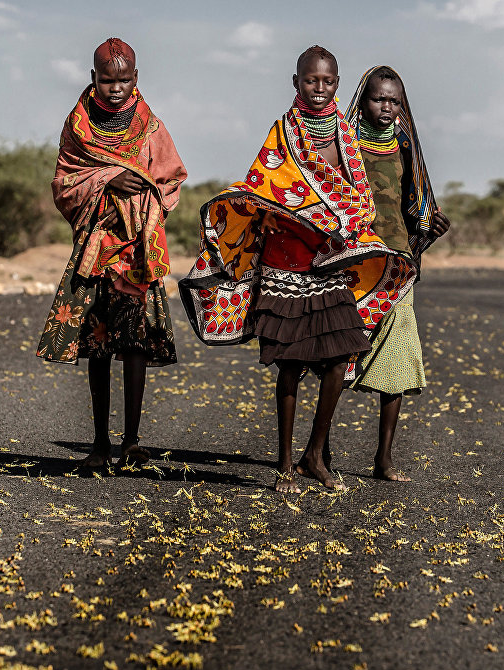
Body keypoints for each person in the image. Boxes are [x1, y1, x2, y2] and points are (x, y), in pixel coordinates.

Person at [180, 46, 411, 493]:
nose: (319, 89)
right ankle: (285, 464)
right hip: (286, 262)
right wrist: (303, 212)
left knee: (340, 357)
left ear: (337, 85)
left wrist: (340, 226)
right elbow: (263, 187)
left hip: (330, 261)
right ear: (295, 82)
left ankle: (313, 454)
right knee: (290, 363)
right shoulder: (282, 133)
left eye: (327, 82)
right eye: (311, 81)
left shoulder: (345, 132)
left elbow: (356, 191)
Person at [37, 38, 187, 472]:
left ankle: (133, 443)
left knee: (135, 344)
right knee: (99, 344)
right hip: (97, 250)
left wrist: (145, 205)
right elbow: (65, 183)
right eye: (107, 80)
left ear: (135, 78)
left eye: (123, 79)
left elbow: (172, 179)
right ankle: (100, 443)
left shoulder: (151, 126)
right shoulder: (78, 125)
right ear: (93, 79)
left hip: (137, 250)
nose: (115, 88)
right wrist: (108, 180)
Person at [343, 66, 450, 481]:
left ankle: (383, 459)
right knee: (332, 358)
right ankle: (320, 453)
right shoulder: (343, 140)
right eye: (378, 99)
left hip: (397, 262)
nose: (387, 108)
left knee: (398, 356)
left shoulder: (405, 143)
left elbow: (416, 204)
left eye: (394, 101)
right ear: (363, 99)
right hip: (349, 260)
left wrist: (431, 227)